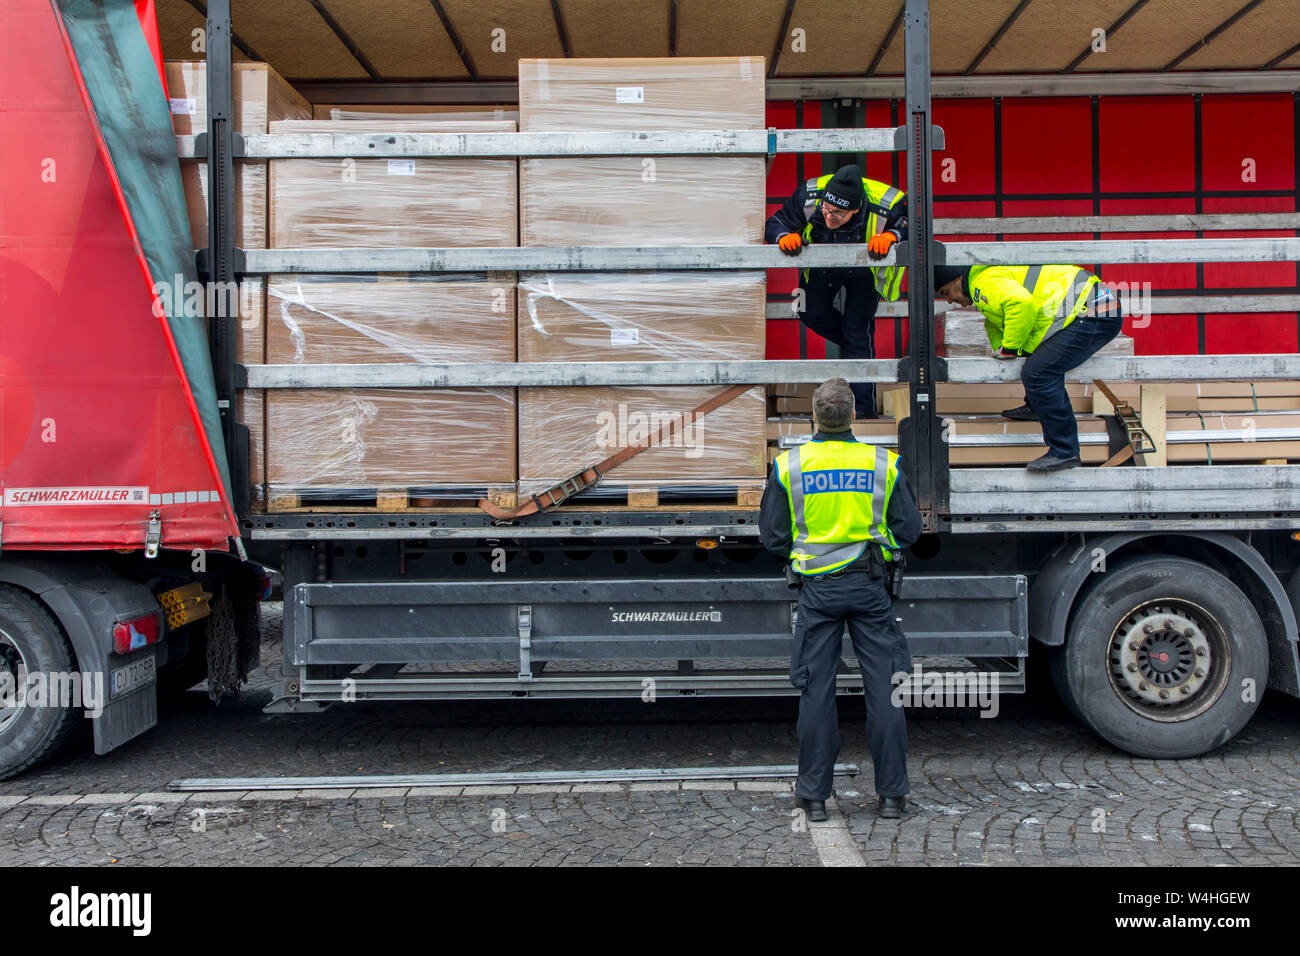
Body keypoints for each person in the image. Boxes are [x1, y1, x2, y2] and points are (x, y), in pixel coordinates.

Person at [760, 377, 923, 822]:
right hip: (870, 588)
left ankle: (813, 797)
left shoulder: (789, 466)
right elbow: (909, 531)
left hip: (818, 592)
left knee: (816, 692)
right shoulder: (883, 464)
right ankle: (892, 798)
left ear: (814, 416)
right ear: (854, 415)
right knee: (885, 692)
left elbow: (774, 538)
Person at [934, 263, 1124, 472]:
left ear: (958, 279)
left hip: (1093, 312)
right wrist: (1004, 348)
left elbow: (1021, 304)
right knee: (1041, 362)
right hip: (1091, 308)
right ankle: (1035, 405)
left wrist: (1010, 347)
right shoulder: (984, 285)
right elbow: (996, 322)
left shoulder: (983, 283)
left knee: (1039, 373)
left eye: (946, 292)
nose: (949, 300)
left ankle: (1064, 451)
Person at [766, 164, 907, 419]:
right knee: (808, 310)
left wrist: (892, 236)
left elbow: (911, 226)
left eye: (839, 214)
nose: (830, 217)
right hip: (822, 268)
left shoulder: (889, 202)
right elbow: (776, 222)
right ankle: (855, 344)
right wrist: (783, 235)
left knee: (857, 332)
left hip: (864, 272)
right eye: (827, 210)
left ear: (856, 209)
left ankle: (863, 410)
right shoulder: (809, 195)